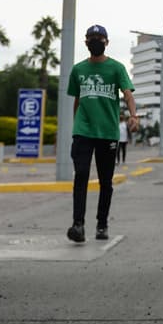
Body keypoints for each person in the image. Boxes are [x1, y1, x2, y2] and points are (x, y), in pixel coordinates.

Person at [67, 24, 137, 243]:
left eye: (99, 38)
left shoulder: (116, 68)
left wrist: (134, 115)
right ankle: (78, 225)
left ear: (106, 42)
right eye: (91, 38)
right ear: (85, 42)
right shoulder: (78, 70)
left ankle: (101, 224)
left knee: (106, 182)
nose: (95, 41)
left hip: (107, 132)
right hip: (83, 131)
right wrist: (75, 126)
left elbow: (127, 94)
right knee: (81, 176)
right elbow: (77, 100)